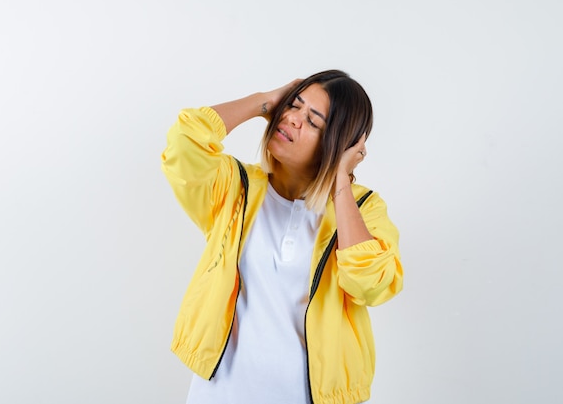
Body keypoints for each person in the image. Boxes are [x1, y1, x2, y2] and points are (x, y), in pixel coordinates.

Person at [161, 69, 403, 404]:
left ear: (336, 143)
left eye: (313, 120)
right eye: (293, 105)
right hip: (219, 394)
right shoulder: (236, 188)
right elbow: (184, 141)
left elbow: (371, 283)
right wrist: (264, 101)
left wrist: (340, 183)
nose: (292, 119)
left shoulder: (362, 207)